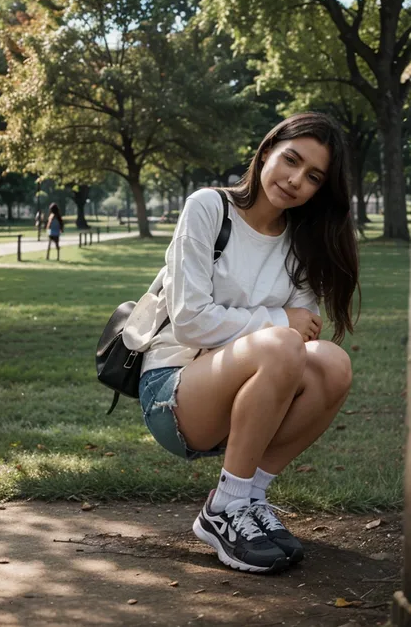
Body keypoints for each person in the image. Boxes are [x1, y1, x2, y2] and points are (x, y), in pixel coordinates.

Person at [123, 112, 360, 574]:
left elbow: (307, 331)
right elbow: (190, 321)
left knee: (333, 362)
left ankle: (248, 499)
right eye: (290, 159)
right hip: (174, 390)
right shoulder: (209, 207)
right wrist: (278, 320)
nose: (295, 180)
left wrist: (277, 329)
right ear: (267, 149)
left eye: (313, 177)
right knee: (278, 344)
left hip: (251, 395)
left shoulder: (302, 243)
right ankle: (223, 510)